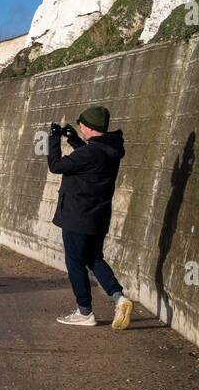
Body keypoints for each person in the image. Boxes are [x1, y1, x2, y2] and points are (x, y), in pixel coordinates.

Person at [47, 105, 134, 330]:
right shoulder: (110, 149)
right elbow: (90, 160)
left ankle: (85, 311)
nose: (80, 128)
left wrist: (54, 140)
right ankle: (118, 298)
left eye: (81, 126)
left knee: (75, 262)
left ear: (88, 126)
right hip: (97, 217)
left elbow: (56, 166)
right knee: (94, 258)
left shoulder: (89, 153)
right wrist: (75, 140)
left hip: (77, 216)